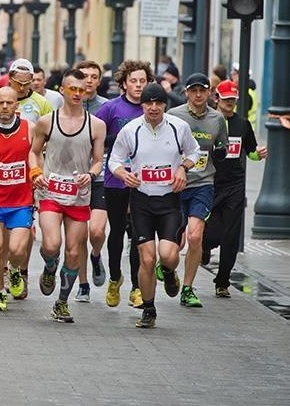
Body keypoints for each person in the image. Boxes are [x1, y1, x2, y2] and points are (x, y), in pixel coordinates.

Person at [108, 82, 199, 328]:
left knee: (168, 256)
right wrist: (122, 174)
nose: (154, 108)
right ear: (142, 105)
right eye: (149, 103)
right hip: (141, 201)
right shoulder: (131, 130)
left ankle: (169, 273)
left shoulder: (179, 128)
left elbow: (195, 152)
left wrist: (182, 168)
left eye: (159, 103)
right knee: (147, 259)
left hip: (169, 200)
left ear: (165, 105)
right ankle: (148, 309)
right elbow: (114, 159)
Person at [31, 70, 106, 322]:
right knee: (51, 245)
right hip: (51, 190)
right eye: (72, 88)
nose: (77, 93)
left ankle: (61, 302)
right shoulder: (46, 121)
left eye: (81, 90)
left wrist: (91, 174)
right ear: (62, 90)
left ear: (87, 92)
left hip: (79, 195)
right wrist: (36, 171)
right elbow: (34, 152)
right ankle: (50, 267)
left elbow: (98, 162)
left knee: (74, 253)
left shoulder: (96, 125)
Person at [166, 73, 228, 308]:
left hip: (203, 183)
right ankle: (169, 270)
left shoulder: (217, 119)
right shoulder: (174, 116)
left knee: (194, 236)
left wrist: (221, 152)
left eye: (202, 90)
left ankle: (188, 289)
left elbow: (222, 146)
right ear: (187, 93)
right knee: (172, 246)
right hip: (176, 184)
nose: (198, 95)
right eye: (194, 91)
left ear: (209, 92)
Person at [96, 59, 152, 308]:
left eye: (143, 81)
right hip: (115, 180)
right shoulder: (111, 108)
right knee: (117, 232)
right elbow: (94, 136)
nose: (138, 86)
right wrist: (119, 138)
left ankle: (137, 288)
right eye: (134, 81)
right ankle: (115, 278)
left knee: (138, 234)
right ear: (123, 84)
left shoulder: (152, 109)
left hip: (143, 182)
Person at [204, 80, 266, 293]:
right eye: (226, 98)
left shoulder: (242, 124)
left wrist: (259, 154)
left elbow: (250, 152)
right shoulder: (208, 121)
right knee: (209, 234)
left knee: (230, 235)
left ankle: (222, 282)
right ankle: (203, 250)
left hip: (234, 185)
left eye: (233, 99)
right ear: (217, 99)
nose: (230, 102)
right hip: (210, 182)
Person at [0, 87, 38, 311]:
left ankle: (14, 270)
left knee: (16, 250)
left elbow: (38, 158)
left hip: (21, 201)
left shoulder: (30, 129)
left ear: (17, 106)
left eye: (9, 103)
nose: (4, 107)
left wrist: (38, 177)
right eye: (0, 103)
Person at [75, 60, 110, 301]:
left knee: (96, 231)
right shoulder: (68, 106)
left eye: (93, 76)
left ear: (99, 80)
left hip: (100, 177)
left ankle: (96, 256)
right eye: (84, 75)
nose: (89, 80)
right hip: (74, 177)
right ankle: (83, 284)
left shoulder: (107, 108)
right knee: (77, 236)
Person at [0, 58, 53, 125]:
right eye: (18, 83)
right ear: (10, 78)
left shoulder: (43, 103)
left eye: (26, 84)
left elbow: (49, 131)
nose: (22, 88)